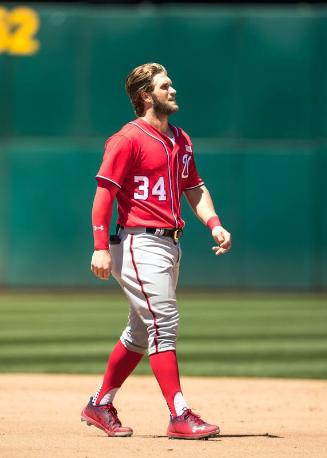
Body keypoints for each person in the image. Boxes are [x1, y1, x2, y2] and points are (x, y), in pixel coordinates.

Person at [81, 63, 232, 440]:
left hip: (169, 245)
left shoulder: (180, 138)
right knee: (164, 323)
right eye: (165, 85)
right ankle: (179, 414)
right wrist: (100, 247)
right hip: (138, 242)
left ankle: (100, 403)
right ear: (146, 95)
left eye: (172, 84)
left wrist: (214, 224)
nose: (174, 90)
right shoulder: (127, 138)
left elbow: (194, 188)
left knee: (137, 333)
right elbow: (104, 194)